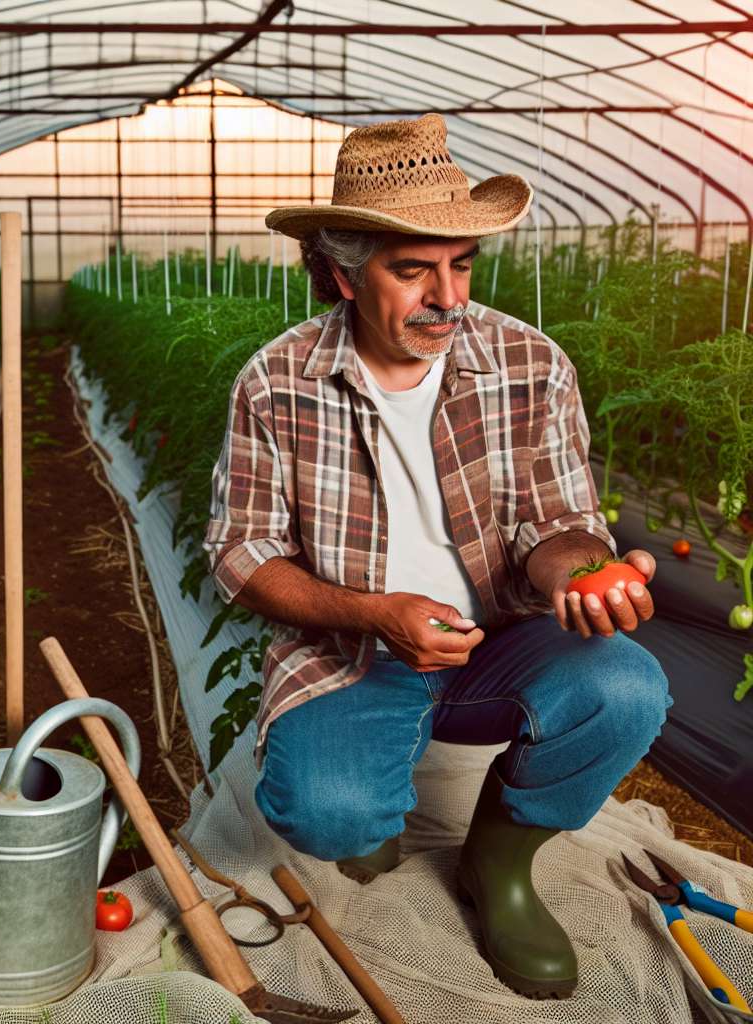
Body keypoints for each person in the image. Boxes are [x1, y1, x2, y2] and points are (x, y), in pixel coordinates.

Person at [201, 114, 672, 1000]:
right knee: (330, 815)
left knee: (627, 686)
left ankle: (500, 864)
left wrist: (576, 572)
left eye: (460, 264)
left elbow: (559, 521)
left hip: (502, 639)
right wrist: (375, 614)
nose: (447, 297)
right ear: (339, 273)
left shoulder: (530, 363)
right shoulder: (277, 382)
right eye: (412, 270)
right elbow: (240, 552)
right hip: (357, 651)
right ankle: (367, 801)